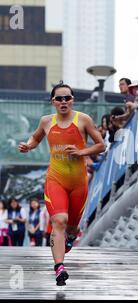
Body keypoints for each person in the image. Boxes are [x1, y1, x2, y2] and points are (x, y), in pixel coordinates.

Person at [18, 81, 106, 286]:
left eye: (67, 98)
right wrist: (28, 146)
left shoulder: (83, 120)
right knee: (59, 220)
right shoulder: (46, 122)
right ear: (53, 101)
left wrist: (82, 152)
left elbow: (101, 144)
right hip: (55, 179)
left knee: (72, 227)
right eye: (60, 98)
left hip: (78, 184)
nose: (64, 101)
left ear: (73, 100)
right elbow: (36, 138)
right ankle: (59, 268)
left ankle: (69, 240)